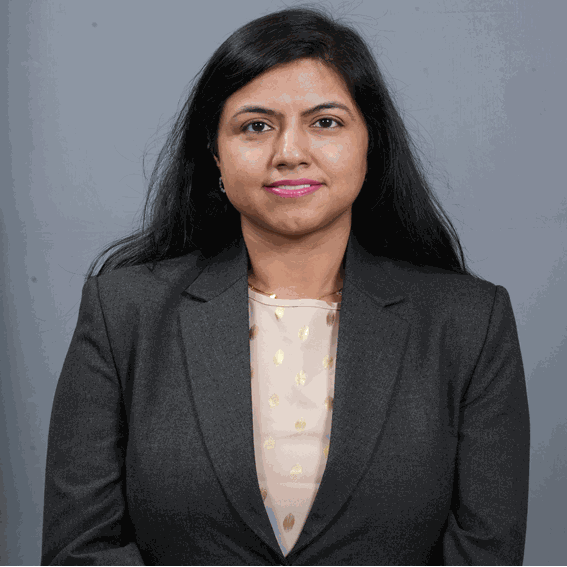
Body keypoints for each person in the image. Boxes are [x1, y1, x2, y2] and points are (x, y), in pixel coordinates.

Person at [40, 5, 530, 565]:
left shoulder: (469, 324)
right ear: (215, 154)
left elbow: (485, 554)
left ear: (370, 144)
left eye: (326, 123)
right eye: (256, 126)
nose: (290, 153)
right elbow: (80, 552)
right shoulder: (123, 313)